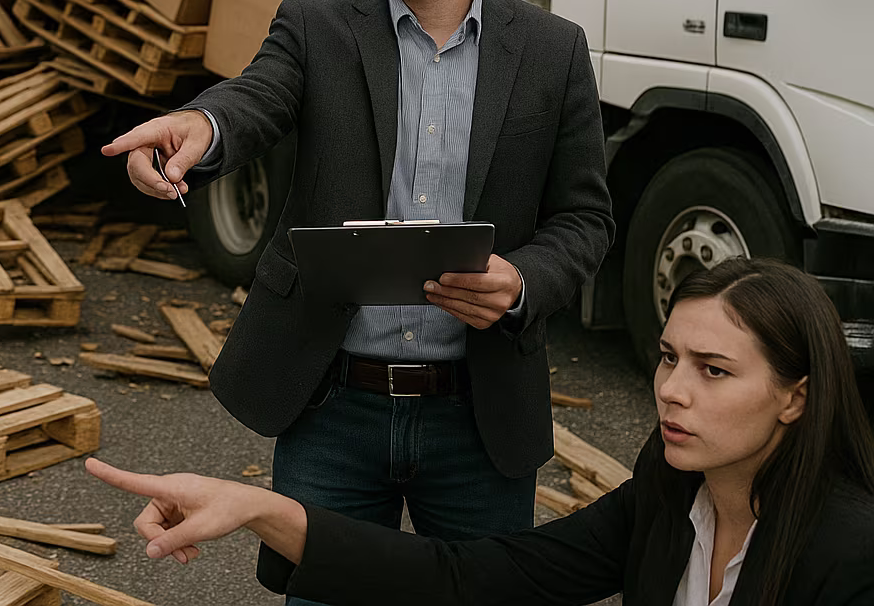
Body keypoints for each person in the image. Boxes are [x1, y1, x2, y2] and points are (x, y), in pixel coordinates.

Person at [101, 0, 615, 575]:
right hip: (333, 407)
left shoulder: (551, 51)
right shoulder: (316, 29)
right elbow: (255, 97)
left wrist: (520, 282)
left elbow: (585, 218)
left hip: (480, 414)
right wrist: (199, 127)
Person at [88, 258, 874, 606]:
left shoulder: (850, 555)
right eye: (669, 357)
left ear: (795, 398)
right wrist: (255, 507)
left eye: (714, 370)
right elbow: (468, 579)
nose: (671, 389)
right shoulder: (670, 495)